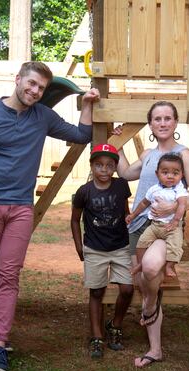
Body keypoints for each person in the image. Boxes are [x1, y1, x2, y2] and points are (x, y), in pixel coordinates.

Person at [0, 61, 100, 371]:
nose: (35, 91)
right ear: (18, 79)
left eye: (40, 88)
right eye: (32, 84)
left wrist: (87, 105)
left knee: (9, 273)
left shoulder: (43, 117)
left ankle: (0, 344)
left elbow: (80, 134)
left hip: (21, 208)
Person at [116, 101, 189, 368]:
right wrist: (118, 142)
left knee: (152, 268)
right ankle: (155, 349)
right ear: (151, 124)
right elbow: (123, 172)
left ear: (175, 123)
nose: (163, 123)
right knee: (144, 281)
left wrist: (176, 205)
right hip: (138, 226)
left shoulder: (184, 155)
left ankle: (150, 306)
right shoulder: (147, 156)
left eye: (168, 118)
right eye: (157, 119)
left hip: (166, 227)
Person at [70, 143, 134, 359]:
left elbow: (125, 211)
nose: (104, 170)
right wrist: (79, 245)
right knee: (97, 292)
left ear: (115, 167)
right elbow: (74, 219)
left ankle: (114, 325)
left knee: (127, 289)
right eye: (99, 165)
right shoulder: (84, 192)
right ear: (92, 166)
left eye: (109, 165)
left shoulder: (121, 186)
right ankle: (96, 337)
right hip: (95, 249)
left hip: (120, 246)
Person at [125, 153, 188, 278]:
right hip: (154, 226)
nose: (170, 176)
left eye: (175, 173)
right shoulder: (154, 189)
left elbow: (182, 205)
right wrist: (133, 215)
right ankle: (140, 264)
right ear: (157, 174)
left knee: (175, 245)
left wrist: (175, 221)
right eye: (165, 172)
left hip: (172, 227)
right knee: (141, 243)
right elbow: (144, 203)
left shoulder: (179, 189)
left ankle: (169, 266)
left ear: (182, 175)